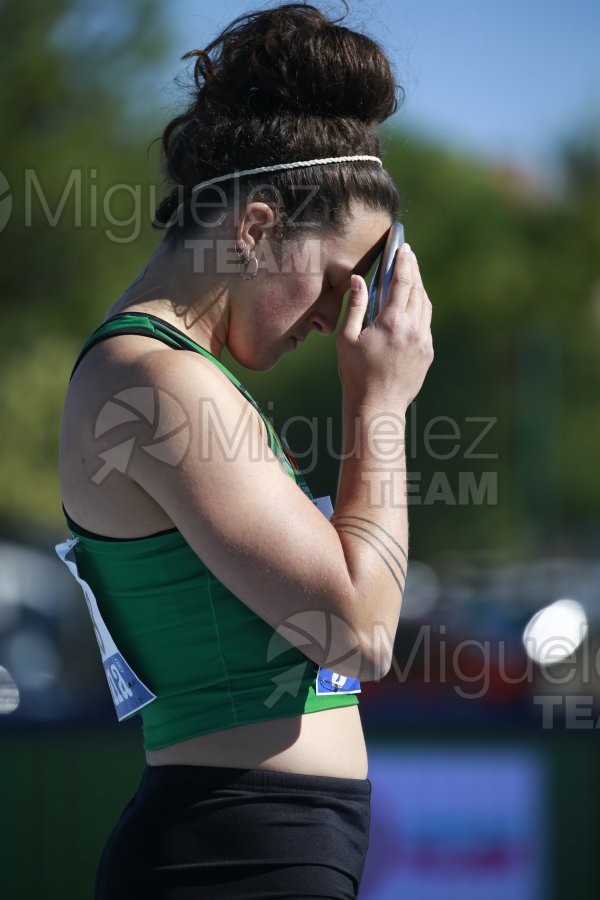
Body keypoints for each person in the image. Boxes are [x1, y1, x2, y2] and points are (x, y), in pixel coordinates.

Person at [55, 3, 433, 898]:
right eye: (338, 281)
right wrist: (378, 401)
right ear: (255, 227)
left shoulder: (182, 378)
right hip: (227, 852)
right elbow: (358, 629)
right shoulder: (150, 381)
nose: (343, 316)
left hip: (258, 845)